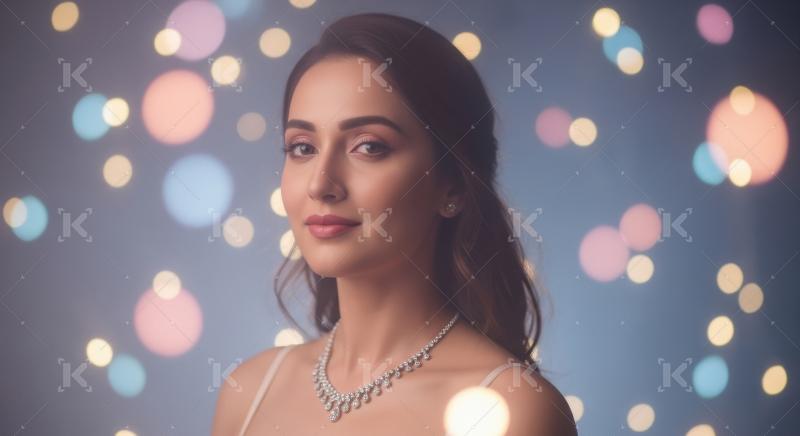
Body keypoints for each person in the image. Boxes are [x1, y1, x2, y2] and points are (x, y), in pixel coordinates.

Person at [212, 12, 577, 435]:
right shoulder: (250, 391)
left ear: (453, 185)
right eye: (303, 147)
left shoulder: (513, 410)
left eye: (369, 146)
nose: (320, 184)